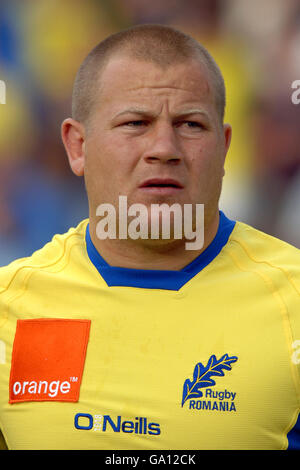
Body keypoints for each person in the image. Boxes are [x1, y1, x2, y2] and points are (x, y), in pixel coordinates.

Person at [0, 24, 299, 451]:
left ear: (225, 147)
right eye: (135, 122)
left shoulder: (294, 301)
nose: (164, 147)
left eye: (191, 124)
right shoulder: (8, 307)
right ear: (77, 146)